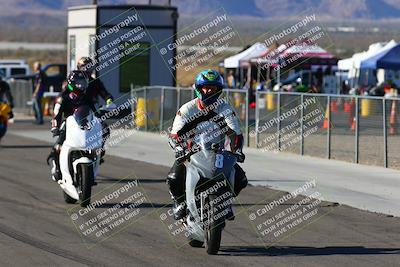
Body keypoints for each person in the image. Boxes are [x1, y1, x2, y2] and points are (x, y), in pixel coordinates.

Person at [166, 69, 248, 220]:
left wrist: (237, 150)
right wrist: (179, 149)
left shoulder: (225, 108)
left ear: (218, 90)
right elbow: (175, 134)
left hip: (218, 154)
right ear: (198, 88)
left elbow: (236, 133)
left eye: (213, 88)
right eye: (206, 87)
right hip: (191, 153)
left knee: (241, 179)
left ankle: (226, 202)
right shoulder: (187, 109)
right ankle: (180, 203)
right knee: (173, 178)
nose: (209, 90)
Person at [47, 70, 95, 182]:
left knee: (95, 145)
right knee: (58, 146)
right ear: (71, 82)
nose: (80, 85)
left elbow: (94, 111)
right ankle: (57, 167)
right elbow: (56, 114)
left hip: (84, 123)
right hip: (67, 124)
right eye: (78, 82)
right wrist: (55, 127)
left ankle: (91, 169)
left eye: (82, 82)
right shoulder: (63, 97)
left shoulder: (86, 97)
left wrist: (100, 120)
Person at [77, 57, 114, 157]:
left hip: (92, 109)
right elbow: (66, 91)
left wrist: (108, 99)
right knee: (64, 125)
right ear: (79, 68)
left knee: (104, 127)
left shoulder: (95, 82)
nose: (87, 70)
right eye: (85, 67)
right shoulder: (73, 79)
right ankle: (59, 144)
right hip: (74, 108)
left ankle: (100, 147)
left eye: (89, 67)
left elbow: (104, 92)